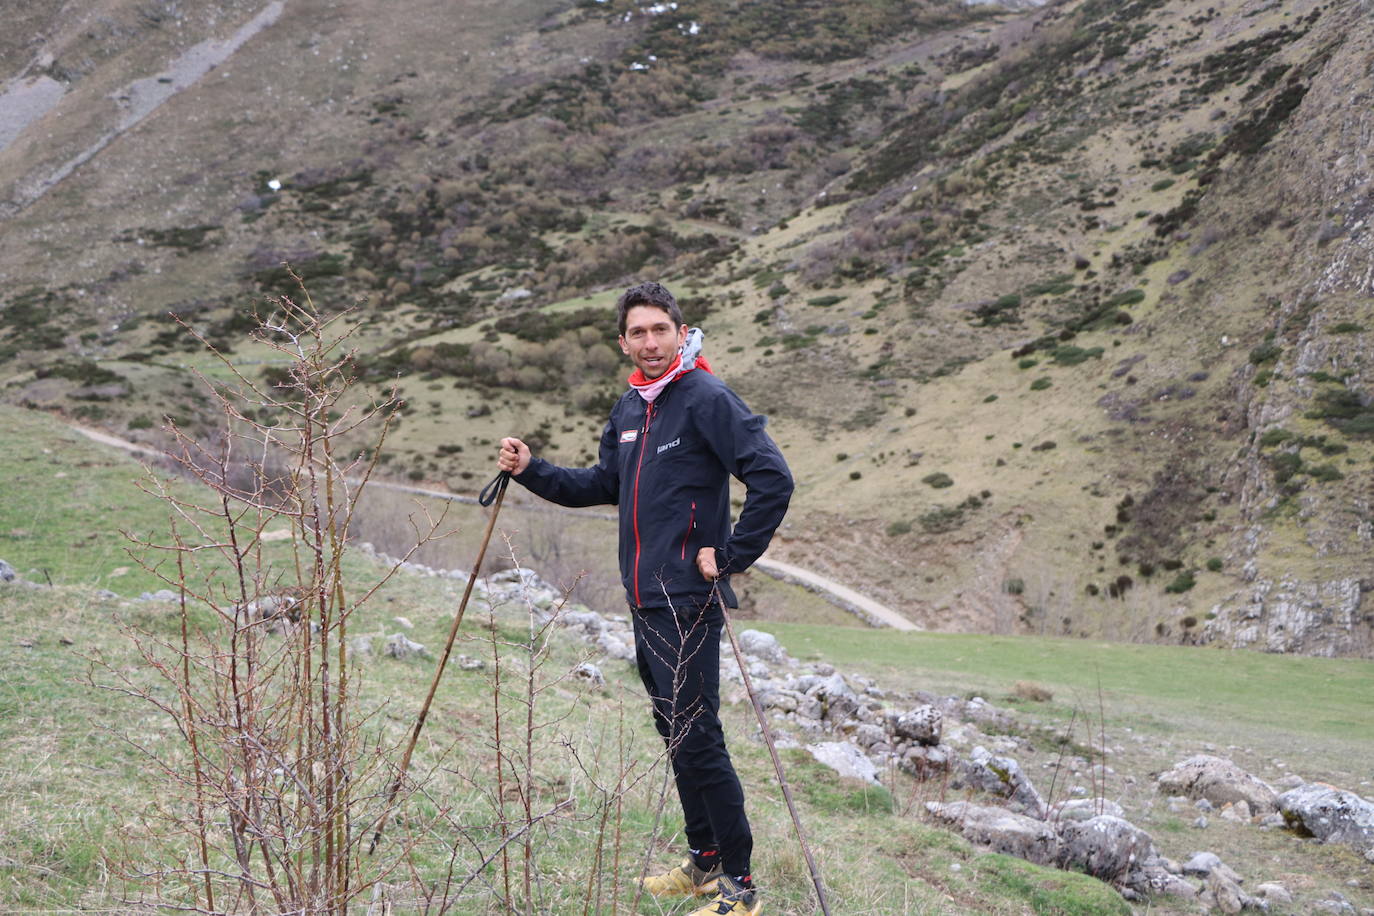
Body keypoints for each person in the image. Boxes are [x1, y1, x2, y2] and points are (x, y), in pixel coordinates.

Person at [496, 281, 793, 916]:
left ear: (681, 334)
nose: (651, 342)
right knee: (674, 730)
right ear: (624, 341)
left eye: (661, 329)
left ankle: (740, 890)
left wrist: (732, 552)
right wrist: (532, 470)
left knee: (698, 736)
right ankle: (704, 862)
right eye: (639, 332)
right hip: (644, 598)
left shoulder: (706, 398)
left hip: (686, 598)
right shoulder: (632, 408)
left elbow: (772, 477)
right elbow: (604, 483)